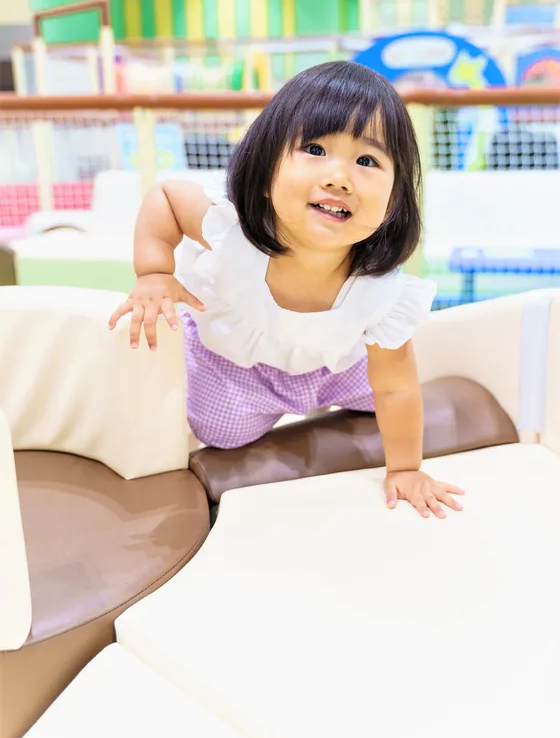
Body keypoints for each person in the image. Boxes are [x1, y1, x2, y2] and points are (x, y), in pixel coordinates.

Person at [109, 61, 464, 519]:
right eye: (315, 149)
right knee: (221, 433)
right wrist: (154, 273)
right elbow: (167, 197)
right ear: (264, 172)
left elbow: (395, 388)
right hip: (234, 364)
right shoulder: (231, 234)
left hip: (333, 367)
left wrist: (405, 469)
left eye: (366, 161)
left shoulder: (381, 293)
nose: (339, 178)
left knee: (383, 402)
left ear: (393, 202)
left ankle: (325, 401)